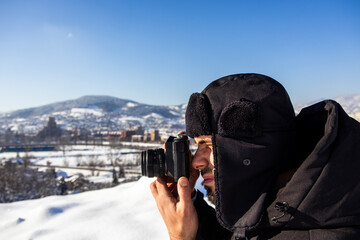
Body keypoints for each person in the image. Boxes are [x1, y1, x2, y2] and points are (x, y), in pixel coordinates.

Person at [150, 73, 360, 240]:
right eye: (197, 146)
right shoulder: (284, 206)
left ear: (251, 150)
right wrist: (191, 206)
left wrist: (181, 238)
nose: (196, 161)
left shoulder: (320, 230)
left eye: (209, 145)